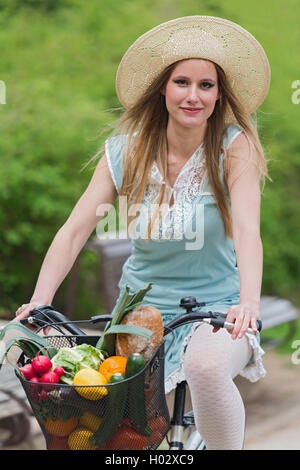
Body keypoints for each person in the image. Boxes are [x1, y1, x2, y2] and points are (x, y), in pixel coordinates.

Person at [15, 16, 271, 450]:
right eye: (182, 82)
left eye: (206, 85)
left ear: (218, 94)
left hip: (218, 309)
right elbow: (76, 230)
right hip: (140, 313)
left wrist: (248, 303)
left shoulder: (234, 146)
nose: (194, 95)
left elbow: (247, 229)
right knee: (111, 429)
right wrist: (40, 299)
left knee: (208, 371)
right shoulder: (125, 151)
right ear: (162, 89)